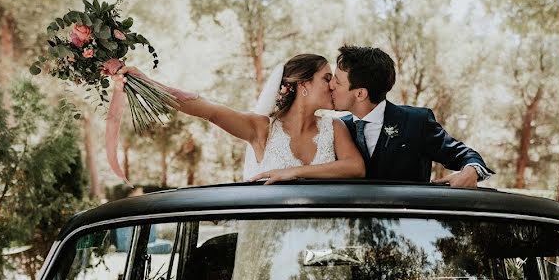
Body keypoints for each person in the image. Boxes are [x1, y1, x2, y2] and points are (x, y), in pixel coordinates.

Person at [117, 54, 365, 183]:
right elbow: (208, 110)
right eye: (326, 77)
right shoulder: (261, 129)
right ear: (303, 85)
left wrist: (293, 172)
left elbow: (356, 168)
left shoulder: (334, 128)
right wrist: (146, 83)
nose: (333, 84)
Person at [330, 46, 494, 188]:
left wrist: (471, 171)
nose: (331, 86)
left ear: (360, 94)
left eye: (337, 82)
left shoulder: (417, 122)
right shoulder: (337, 129)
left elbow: (465, 156)